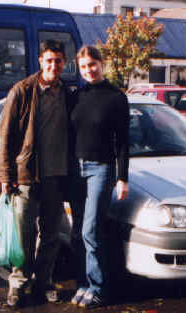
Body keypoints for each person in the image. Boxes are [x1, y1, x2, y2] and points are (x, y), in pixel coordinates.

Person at [0, 39, 75, 307]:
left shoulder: (66, 92)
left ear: (64, 63)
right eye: (49, 60)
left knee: (51, 236)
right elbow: (6, 136)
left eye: (58, 60)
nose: (53, 65)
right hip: (26, 176)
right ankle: (18, 285)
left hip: (56, 177)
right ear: (40, 61)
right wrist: (6, 175)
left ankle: (43, 283)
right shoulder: (22, 91)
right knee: (24, 236)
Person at [69, 45, 130, 308]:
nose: (89, 70)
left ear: (101, 63)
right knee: (77, 231)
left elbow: (124, 141)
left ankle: (99, 287)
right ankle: (82, 283)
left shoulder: (116, 97)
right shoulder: (76, 96)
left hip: (100, 169)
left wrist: (122, 177)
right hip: (75, 170)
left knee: (90, 230)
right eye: (83, 67)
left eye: (92, 64)